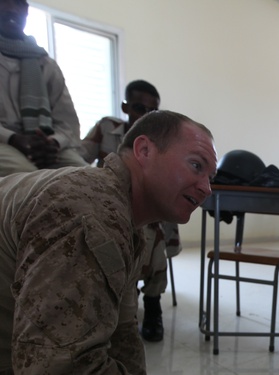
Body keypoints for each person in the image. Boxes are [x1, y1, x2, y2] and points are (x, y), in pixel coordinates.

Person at [0, 110, 217, 373]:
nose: (206, 188)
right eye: (196, 165)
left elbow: (122, 333)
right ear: (144, 150)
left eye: (210, 177)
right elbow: (57, 366)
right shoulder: (90, 212)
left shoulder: (125, 219)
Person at [81, 79, 180, 342]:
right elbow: (78, 156)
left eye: (151, 111)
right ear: (126, 106)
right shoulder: (107, 128)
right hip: (107, 203)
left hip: (144, 210)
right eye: (138, 107)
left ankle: (152, 302)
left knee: (152, 229)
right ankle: (122, 300)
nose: (144, 115)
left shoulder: (161, 143)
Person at [0, 0, 87, 176]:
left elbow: (67, 123)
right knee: (28, 177)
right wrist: (14, 139)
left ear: (26, 10)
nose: (11, 9)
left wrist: (52, 143)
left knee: (88, 177)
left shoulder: (46, 63)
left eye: (18, 3)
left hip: (44, 144)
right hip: (4, 141)